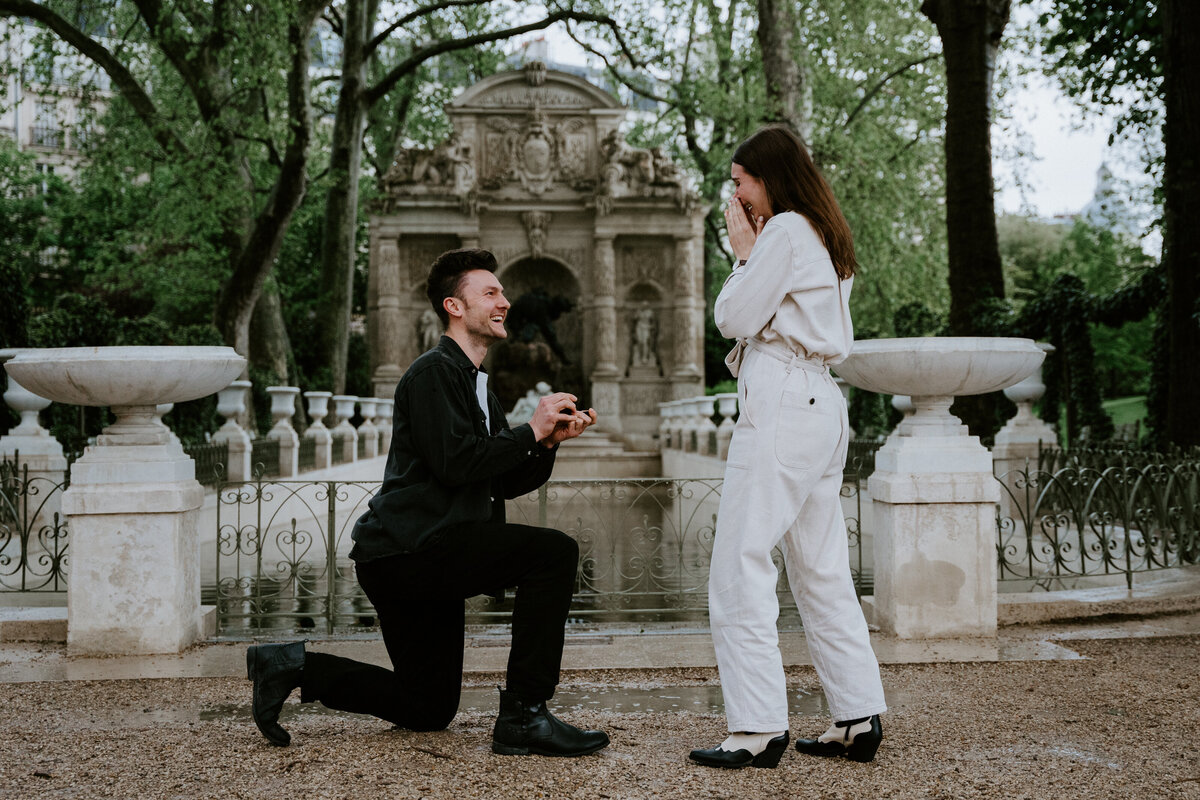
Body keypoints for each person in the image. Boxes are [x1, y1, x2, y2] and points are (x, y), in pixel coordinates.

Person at [246, 248, 610, 758]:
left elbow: (496, 480)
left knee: (428, 707)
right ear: (453, 307)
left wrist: (545, 443)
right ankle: (526, 713)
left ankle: (290, 666)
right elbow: (457, 464)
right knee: (553, 553)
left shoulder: (477, 385)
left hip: (423, 553)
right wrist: (529, 427)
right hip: (408, 551)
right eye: (490, 292)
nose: (504, 300)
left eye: (502, 291)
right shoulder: (433, 372)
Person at [688, 127, 886, 770]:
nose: (735, 193)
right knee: (821, 566)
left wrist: (743, 256)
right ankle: (857, 714)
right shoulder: (825, 235)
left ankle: (755, 728)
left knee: (739, 563)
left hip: (781, 398)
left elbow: (734, 320)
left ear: (767, 178)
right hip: (820, 402)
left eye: (740, 180)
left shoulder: (785, 231)